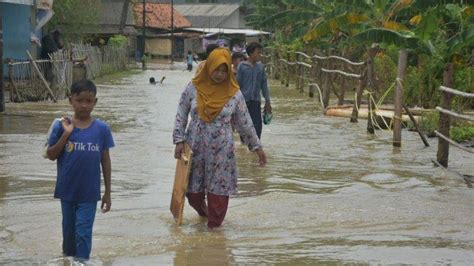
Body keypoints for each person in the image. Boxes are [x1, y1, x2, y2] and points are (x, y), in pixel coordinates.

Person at [173, 47, 267, 228]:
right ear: (209, 67)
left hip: (222, 151)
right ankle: (204, 213)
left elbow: (245, 122)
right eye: (216, 69)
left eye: (224, 70)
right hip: (195, 147)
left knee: (218, 194)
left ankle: (215, 237)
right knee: (193, 194)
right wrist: (179, 139)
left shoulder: (235, 93)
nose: (219, 74)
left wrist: (257, 148)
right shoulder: (194, 87)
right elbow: (181, 112)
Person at [46, 79, 115, 261]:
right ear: (71, 100)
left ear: (95, 102)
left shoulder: (102, 129)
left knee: (83, 234)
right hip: (67, 191)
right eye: (79, 100)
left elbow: (105, 161)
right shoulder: (61, 126)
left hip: (89, 193)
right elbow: (51, 154)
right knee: (69, 239)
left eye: (89, 101)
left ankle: (82, 263)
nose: (84, 105)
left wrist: (108, 192)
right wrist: (67, 134)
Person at [236, 42, 272, 139]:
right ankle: (244, 146)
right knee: (244, 125)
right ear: (251, 54)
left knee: (257, 126)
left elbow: (264, 85)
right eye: (258, 53)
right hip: (243, 101)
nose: (259, 55)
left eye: (260, 53)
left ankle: (255, 149)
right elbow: (237, 85)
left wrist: (268, 101)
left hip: (256, 101)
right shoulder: (242, 66)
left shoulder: (260, 67)